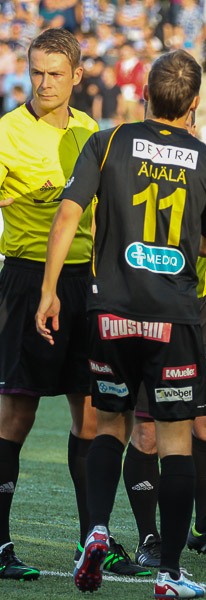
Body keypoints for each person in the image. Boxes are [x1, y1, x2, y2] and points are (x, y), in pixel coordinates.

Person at [36, 49, 206, 598]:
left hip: (111, 311)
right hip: (173, 314)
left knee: (110, 425)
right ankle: (169, 574)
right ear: (193, 104)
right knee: (174, 442)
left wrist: (50, 290)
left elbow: (69, 213)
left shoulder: (106, 142)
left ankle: (97, 529)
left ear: (144, 93)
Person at [122, 107, 206, 570]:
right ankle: (148, 538)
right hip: (146, 307)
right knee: (149, 431)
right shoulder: (130, 160)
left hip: (200, 312)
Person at [0, 28, 101, 582]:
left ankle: (93, 540)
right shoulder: (6, 132)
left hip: (85, 283)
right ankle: (0, 544)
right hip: (25, 278)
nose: (43, 82)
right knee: (17, 413)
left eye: (55, 73)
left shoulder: (90, 133)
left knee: (88, 412)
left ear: (77, 76)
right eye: (36, 71)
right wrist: (28, 197)